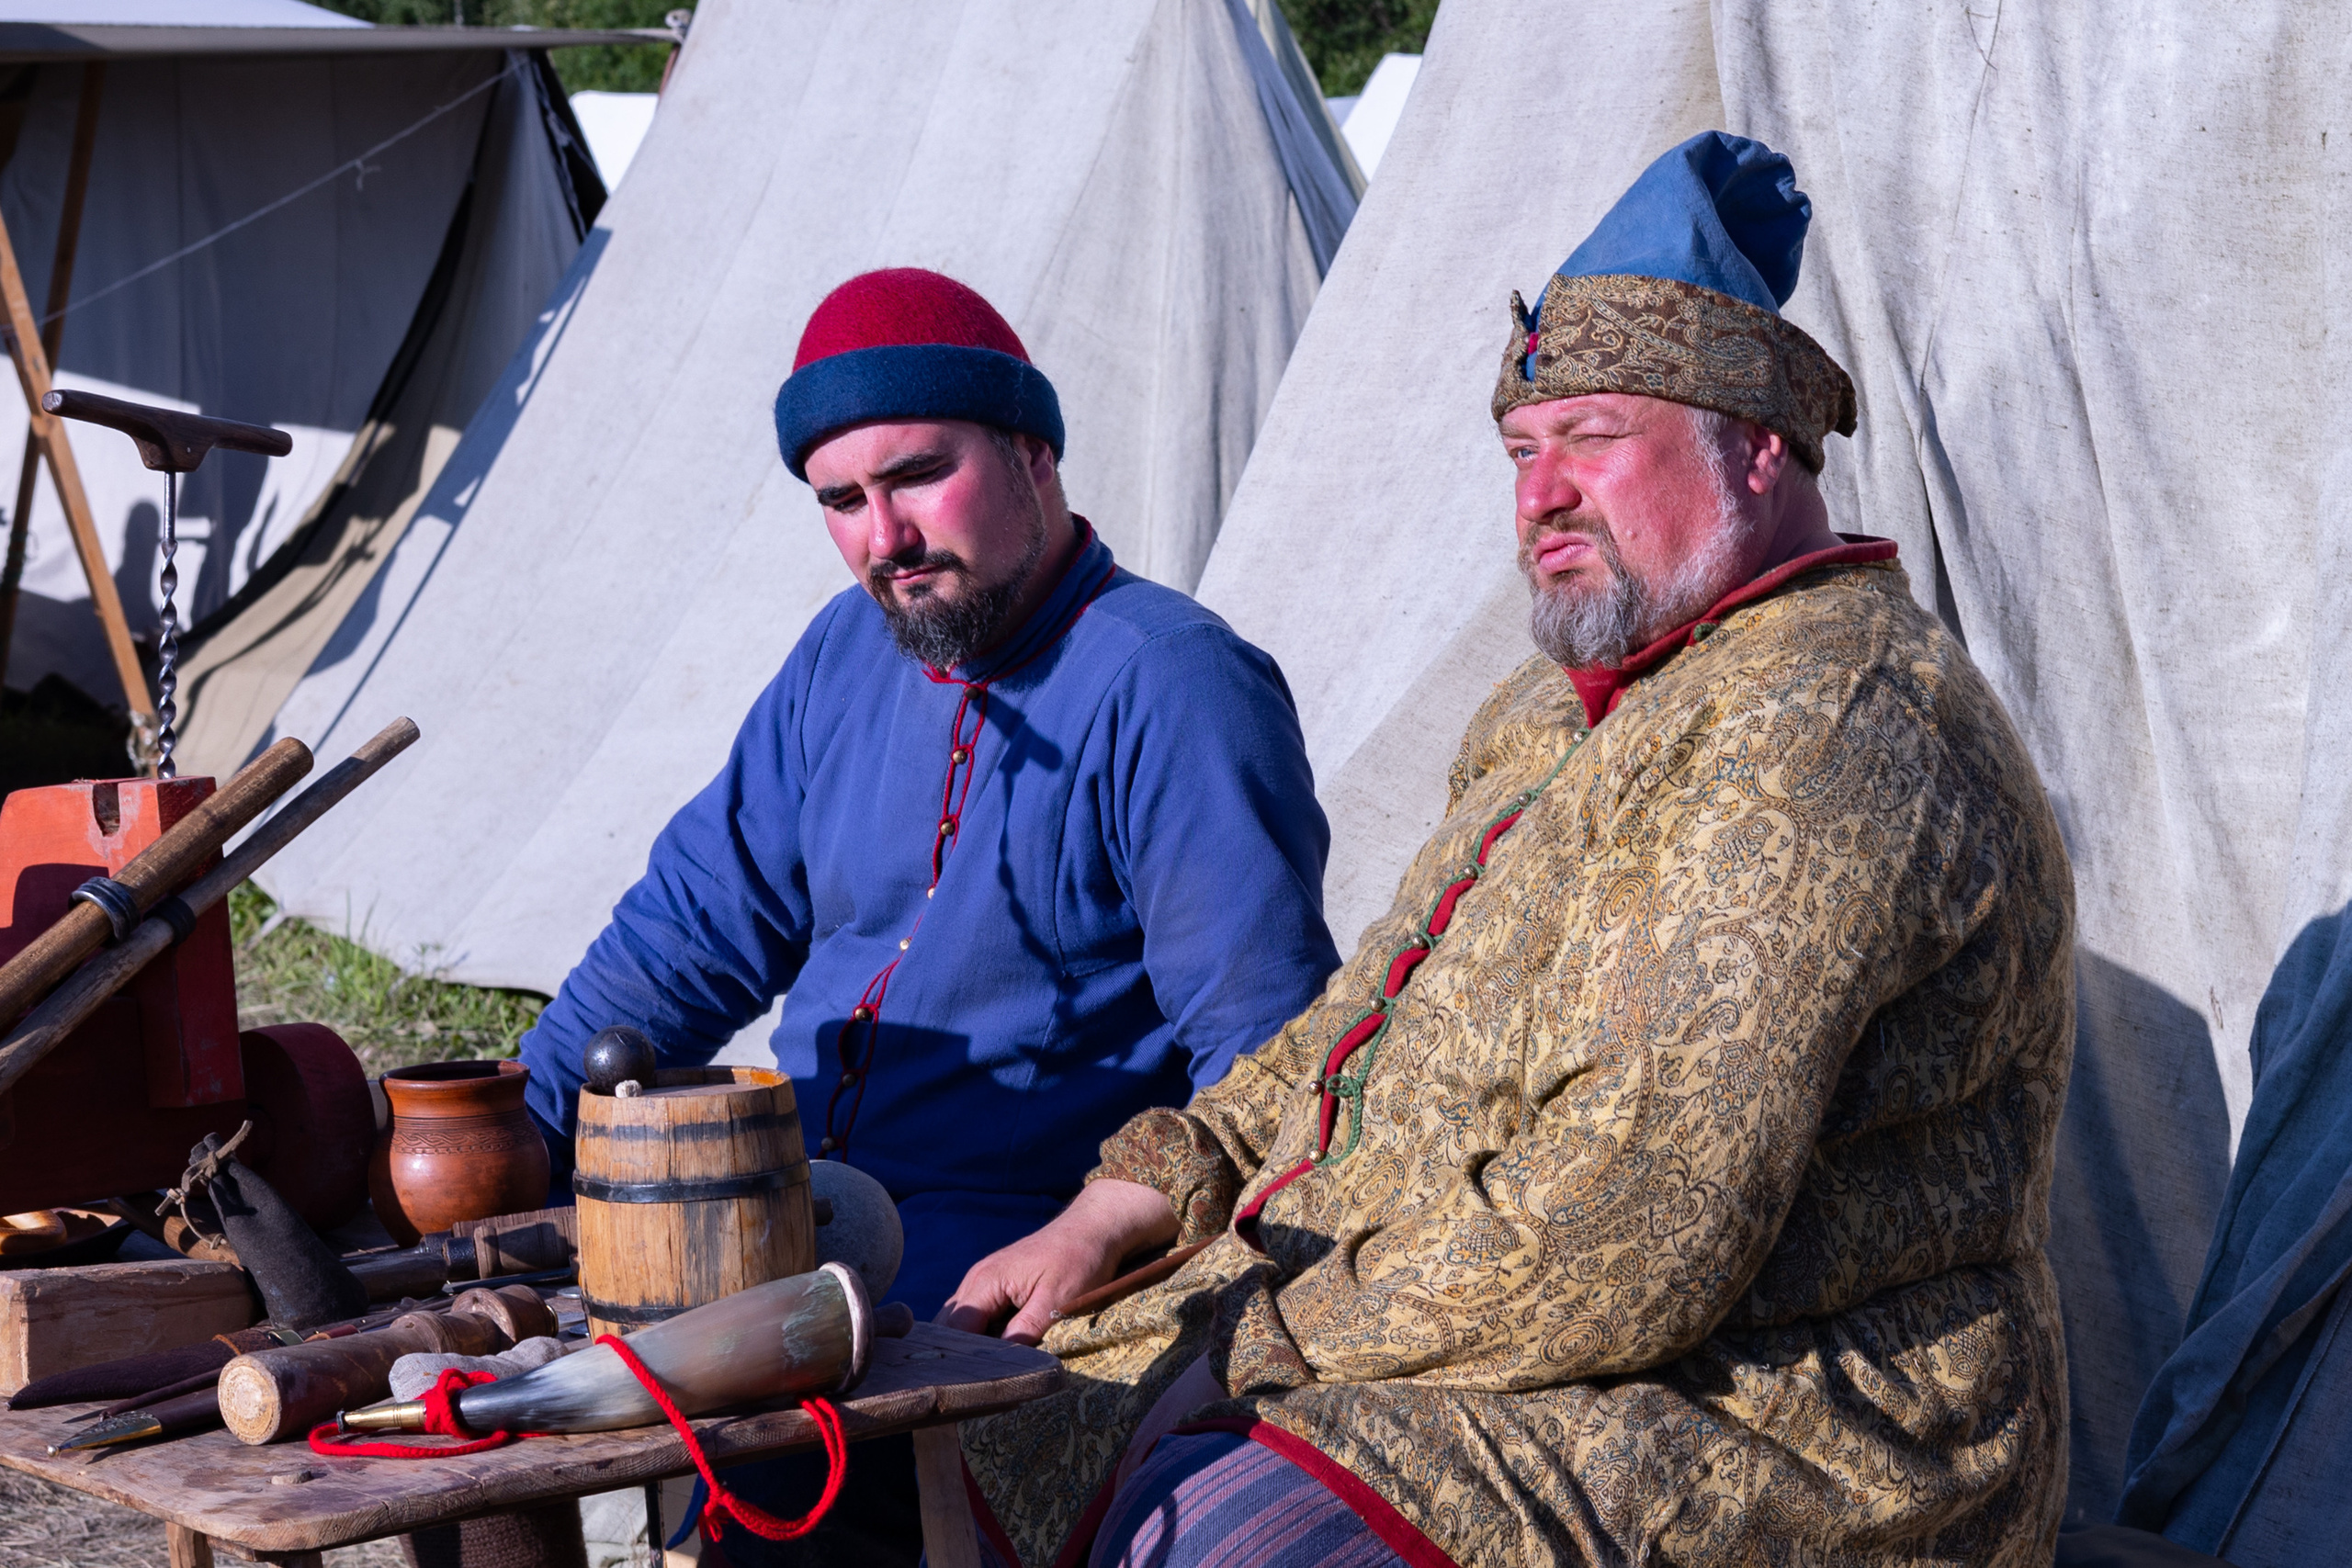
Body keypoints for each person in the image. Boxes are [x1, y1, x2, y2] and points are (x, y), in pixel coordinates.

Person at [954, 132, 2076, 1568]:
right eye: (1521, 451)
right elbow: (1363, 1025)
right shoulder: (1552, 711)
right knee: (960, 1437)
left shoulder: (1831, 728)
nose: (1540, 494)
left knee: (1225, 1533)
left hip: (1801, 1417)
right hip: (1508, 1347)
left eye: (1593, 438)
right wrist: (1135, 1195)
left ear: (1757, 444)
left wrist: (1266, 1333)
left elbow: (1635, 1220)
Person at [514, 267, 1342, 1562]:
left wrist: (1114, 1223)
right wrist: (521, 1120)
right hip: (778, 1244)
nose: (883, 536)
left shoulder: (1175, 686)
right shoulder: (840, 658)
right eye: (841, 500)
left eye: (916, 477)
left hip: (1001, 1286)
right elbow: (692, 926)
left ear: (1031, 453)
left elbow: (1271, 1051)